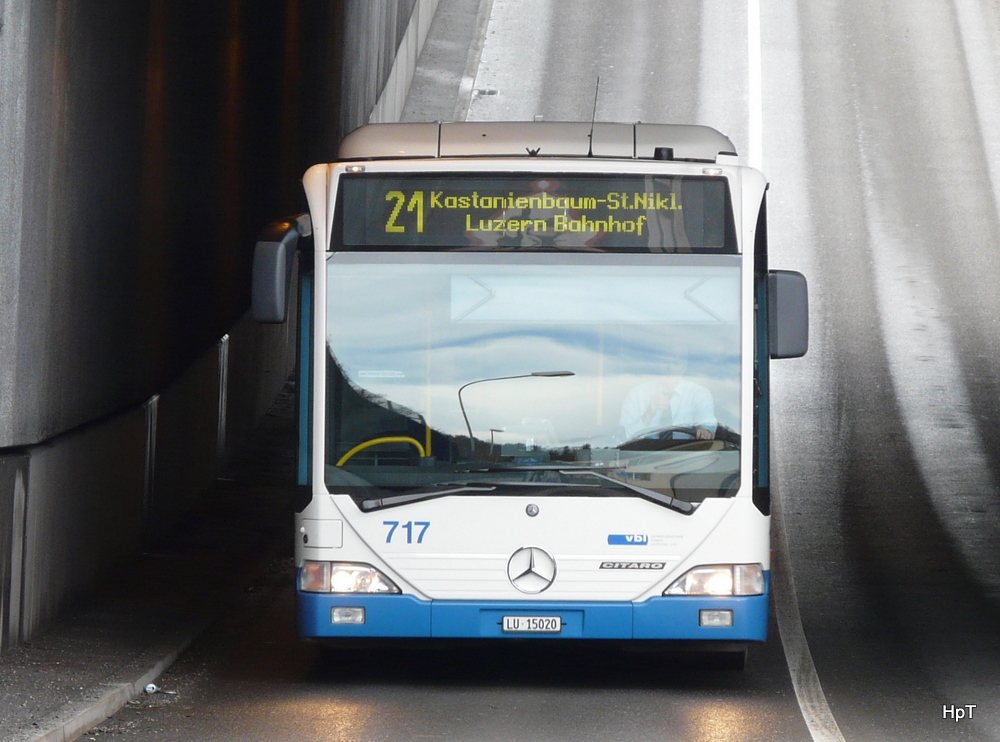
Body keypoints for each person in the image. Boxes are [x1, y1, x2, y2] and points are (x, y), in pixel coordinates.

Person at [619, 350, 717, 441]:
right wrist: (648, 414)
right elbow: (624, 437)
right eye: (665, 361)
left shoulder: (698, 393)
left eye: (676, 363)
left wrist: (705, 431)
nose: (670, 368)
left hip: (687, 457)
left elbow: (707, 423)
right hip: (643, 457)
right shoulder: (637, 394)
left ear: (685, 366)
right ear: (657, 363)